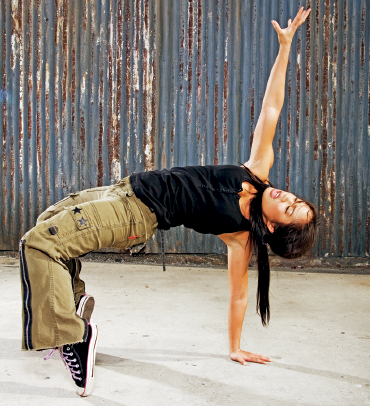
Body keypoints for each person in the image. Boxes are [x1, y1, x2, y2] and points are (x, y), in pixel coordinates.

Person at [19, 7, 316, 397]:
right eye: (294, 197)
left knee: (41, 242)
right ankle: (73, 309)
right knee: (47, 220)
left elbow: (240, 294)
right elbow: (271, 109)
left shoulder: (241, 237)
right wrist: (285, 47)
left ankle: (72, 337)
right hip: (125, 189)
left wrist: (234, 347)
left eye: (290, 208)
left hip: (136, 214)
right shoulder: (257, 171)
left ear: (275, 227)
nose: (286, 196)